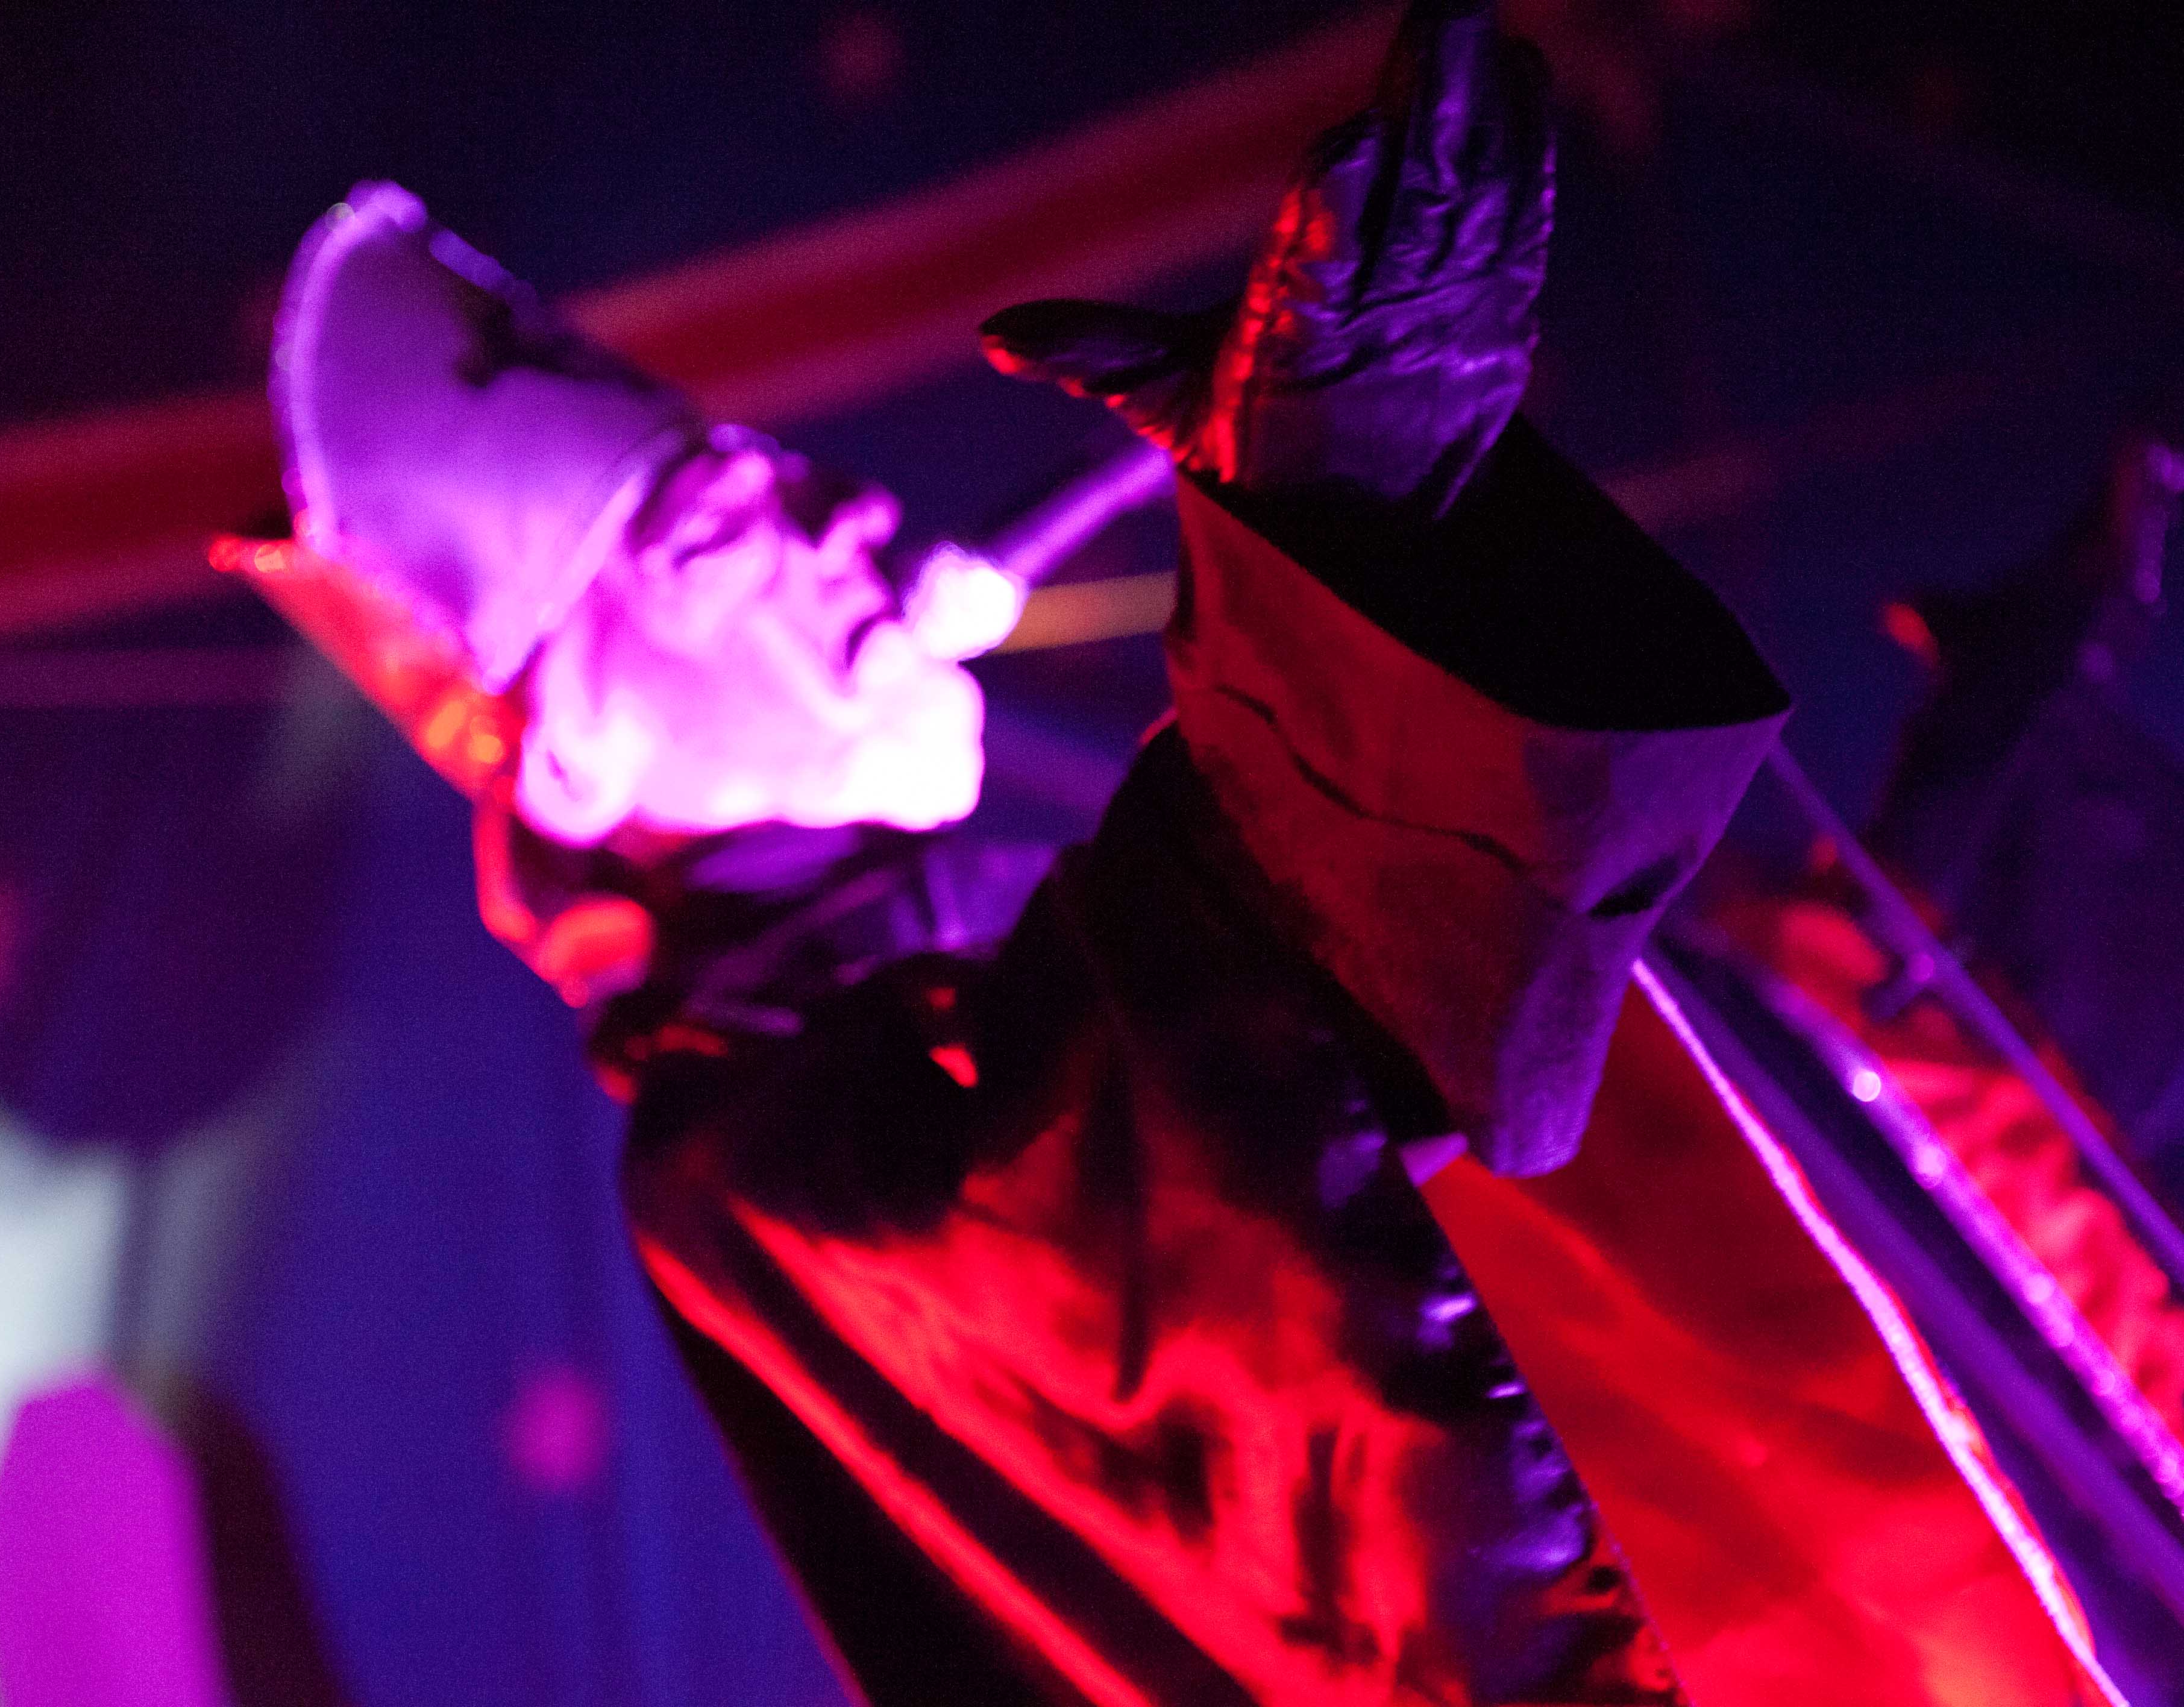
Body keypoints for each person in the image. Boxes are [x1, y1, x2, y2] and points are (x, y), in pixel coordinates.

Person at [227, 1, 2117, 1699]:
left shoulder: (977, 963)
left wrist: (1965, 843)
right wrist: (1342, 556)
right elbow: (1240, 1245)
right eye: (722, 532)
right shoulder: (769, 1154)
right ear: (579, 758)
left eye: (788, 473)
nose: (850, 519)